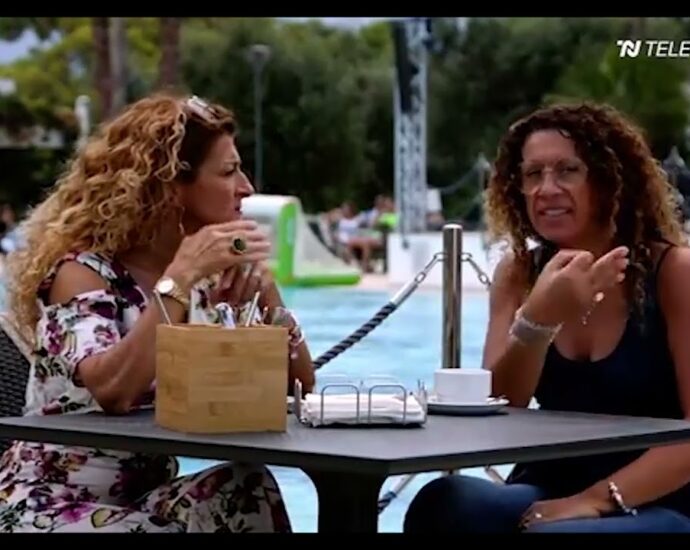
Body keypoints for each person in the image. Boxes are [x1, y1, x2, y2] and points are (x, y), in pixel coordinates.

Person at [0, 92, 315, 533]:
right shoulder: (82, 273)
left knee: (246, 486)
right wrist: (178, 280)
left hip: (143, 502)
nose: (246, 188)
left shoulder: (206, 280)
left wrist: (269, 296)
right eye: (228, 172)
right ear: (170, 188)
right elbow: (114, 390)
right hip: (49, 504)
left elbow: (299, 389)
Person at [404, 101, 690, 533]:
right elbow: (502, 406)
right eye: (533, 174)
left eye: (567, 171)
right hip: (550, 482)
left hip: (658, 494)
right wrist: (537, 323)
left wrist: (594, 501)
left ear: (608, 180)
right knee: (446, 502)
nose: (546, 188)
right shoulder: (519, 272)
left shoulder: (673, 272)